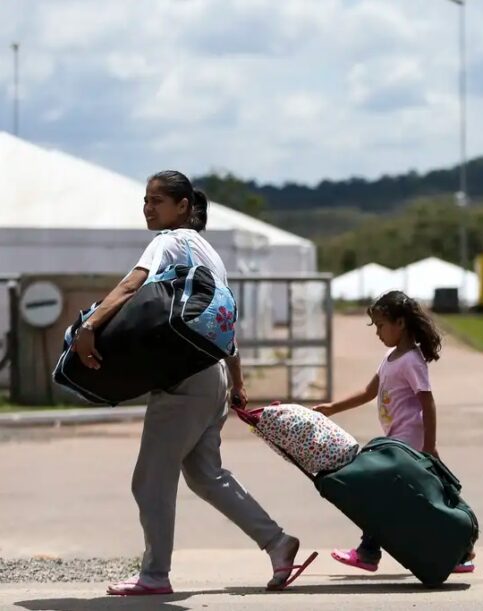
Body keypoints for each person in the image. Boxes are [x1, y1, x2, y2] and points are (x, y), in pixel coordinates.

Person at [71, 170, 313, 596]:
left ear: (183, 207)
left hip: (184, 379)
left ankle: (154, 575)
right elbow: (222, 322)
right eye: (145, 201)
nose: (148, 209)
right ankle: (277, 543)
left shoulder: (169, 241)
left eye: (157, 201)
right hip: (211, 374)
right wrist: (236, 381)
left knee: (150, 478)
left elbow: (133, 285)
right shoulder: (210, 254)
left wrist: (90, 326)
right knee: (204, 475)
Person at [313, 290, 475, 573]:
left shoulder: (412, 360)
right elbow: (368, 392)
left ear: (400, 323)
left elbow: (428, 402)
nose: (377, 332)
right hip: (395, 442)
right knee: (410, 502)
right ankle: (459, 554)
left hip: (408, 445)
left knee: (382, 495)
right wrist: (332, 408)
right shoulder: (390, 357)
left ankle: (368, 552)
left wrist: (430, 446)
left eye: (380, 325)